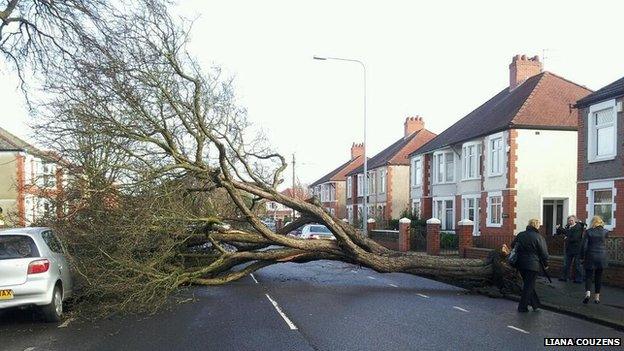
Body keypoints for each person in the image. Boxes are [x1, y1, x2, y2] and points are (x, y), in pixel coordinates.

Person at [511, 218, 549, 312]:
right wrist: (546, 264)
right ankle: (522, 307)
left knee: (528, 284)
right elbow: (544, 253)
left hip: (520, 263)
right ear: (537, 226)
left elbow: (512, 245)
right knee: (528, 286)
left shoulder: (521, 234)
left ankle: (535, 304)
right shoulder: (539, 237)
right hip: (533, 264)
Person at [581, 215, 609, 304]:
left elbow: (584, 246)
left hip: (590, 255)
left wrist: (582, 257)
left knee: (588, 276)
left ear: (592, 222)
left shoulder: (588, 232)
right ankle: (597, 297)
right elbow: (605, 243)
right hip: (601, 257)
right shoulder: (605, 232)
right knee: (598, 277)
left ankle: (588, 294)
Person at [555, 215, 585, 283]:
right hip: (569, 248)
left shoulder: (578, 227)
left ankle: (578, 279)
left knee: (577, 265)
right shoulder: (568, 226)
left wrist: (567, 238)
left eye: (571, 220)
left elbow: (575, 237)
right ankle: (564, 277)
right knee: (566, 264)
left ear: (575, 220)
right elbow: (561, 233)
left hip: (577, 248)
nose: (570, 222)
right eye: (569, 221)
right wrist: (558, 229)